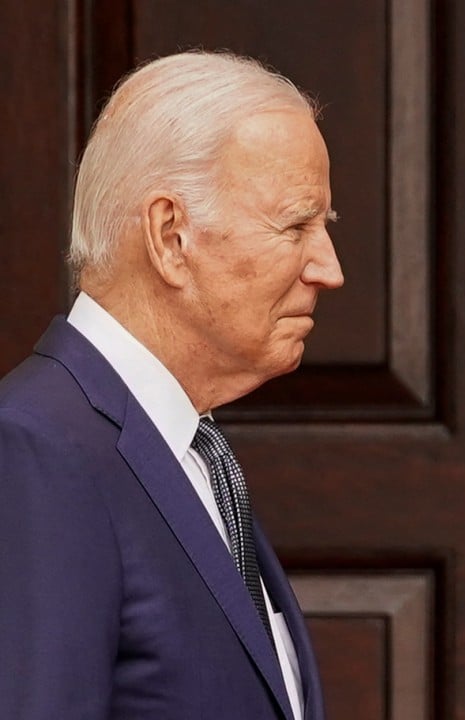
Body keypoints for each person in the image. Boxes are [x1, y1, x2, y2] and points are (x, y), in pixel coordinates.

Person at [0, 51, 343, 719]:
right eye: (296, 226)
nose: (327, 269)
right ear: (170, 235)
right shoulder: (37, 449)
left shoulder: (190, 449)